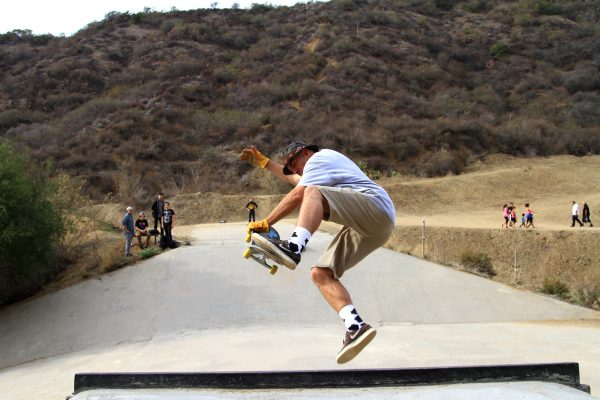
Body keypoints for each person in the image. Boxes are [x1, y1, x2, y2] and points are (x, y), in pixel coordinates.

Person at [240, 141, 395, 364]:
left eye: (294, 164)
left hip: (375, 206)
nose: (295, 171)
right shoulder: (317, 168)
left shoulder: (320, 158)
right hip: (374, 228)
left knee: (311, 192)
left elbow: (298, 193)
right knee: (320, 274)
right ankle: (355, 327)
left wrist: (266, 222)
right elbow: (294, 180)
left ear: (306, 153)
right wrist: (265, 163)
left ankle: (293, 247)